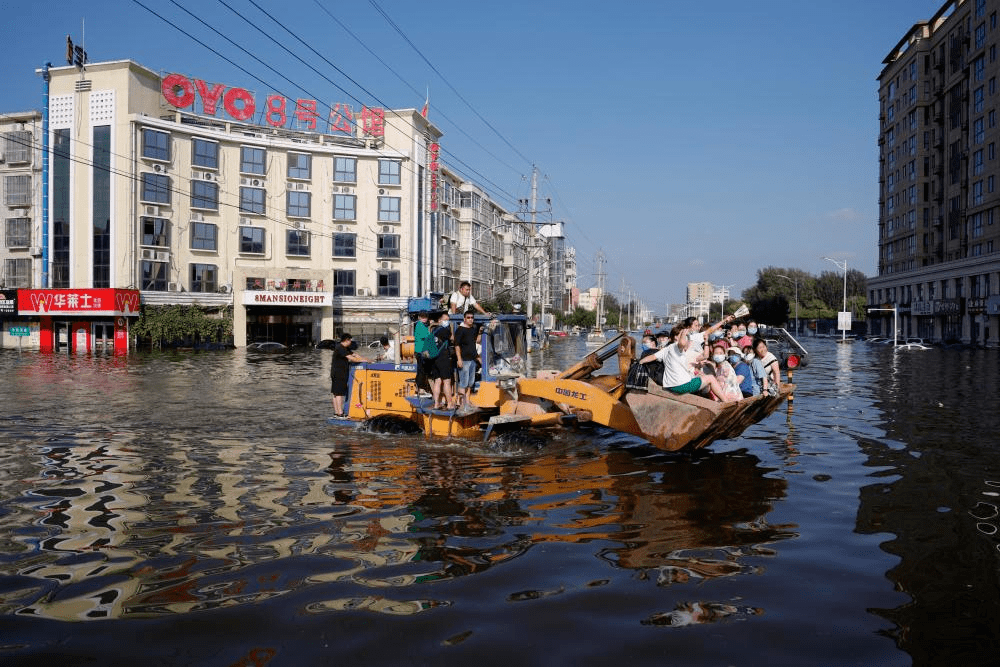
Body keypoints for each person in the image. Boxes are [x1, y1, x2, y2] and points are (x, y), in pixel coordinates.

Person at [639, 323, 730, 401]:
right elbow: (681, 343)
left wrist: (640, 362)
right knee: (710, 378)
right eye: (684, 337)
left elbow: (652, 357)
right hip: (681, 386)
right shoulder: (677, 347)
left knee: (702, 378)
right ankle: (726, 402)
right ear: (676, 338)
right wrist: (683, 334)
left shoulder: (666, 349)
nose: (687, 341)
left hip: (670, 386)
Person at [331, 332, 365, 416]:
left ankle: (336, 412)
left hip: (336, 373)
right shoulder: (340, 348)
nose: (351, 342)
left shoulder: (344, 348)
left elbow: (354, 355)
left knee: (335, 393)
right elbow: (352, 358)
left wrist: (364, 358)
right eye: (350, 340)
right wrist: (365, 361)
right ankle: (340, 413)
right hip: (339, 373)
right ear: (347, 340)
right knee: (339, 394)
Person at [453, 310, 481, 410]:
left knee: (470, 383)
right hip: (464, 360)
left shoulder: (473, 329)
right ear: (464, 319)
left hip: (472, 360)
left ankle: (467, 401)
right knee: (463, 383)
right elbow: (456, 346)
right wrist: (459, 359)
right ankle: (459, 402)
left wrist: (478, 358)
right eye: (468, 317)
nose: (470, 319)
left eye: (472, 317)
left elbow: (475, 343)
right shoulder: (460, 330)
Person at [429, 313, 456, 409]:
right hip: (443, 358)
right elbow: (453, 338)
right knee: (447, 381)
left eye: (448, 320)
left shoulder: (433, 330)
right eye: (445, 319)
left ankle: (436, 403)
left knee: (437, 381)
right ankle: (449, 404)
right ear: (440, 320)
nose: (447, 321)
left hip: (434, 358)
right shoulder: (445, 330)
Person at [413, 311, 432, 393]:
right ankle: (420, 387)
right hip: (420, 351)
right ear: (419, 317)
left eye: (425, 317)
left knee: (421, 369)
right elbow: (427, 336)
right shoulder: (419, 325)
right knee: (422, 369)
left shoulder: (423, 325)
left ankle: (419, 386)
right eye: (422, 317)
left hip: (421, 350)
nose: (424, 318)